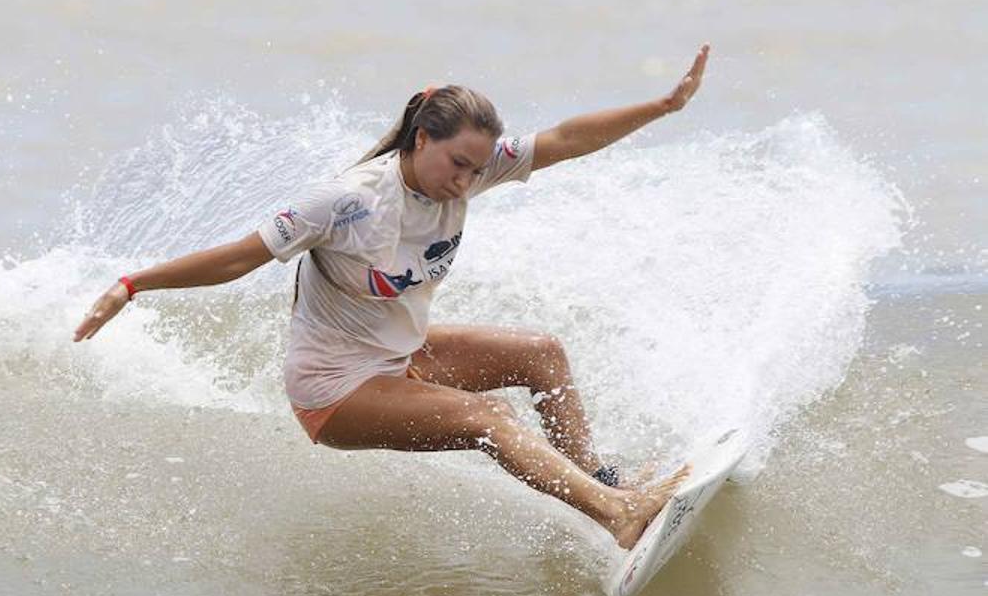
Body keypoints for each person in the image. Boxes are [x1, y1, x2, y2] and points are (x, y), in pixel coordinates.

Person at [74, 45, 711, 550]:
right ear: (419, 140)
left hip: (396, 355)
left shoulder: (472, 169)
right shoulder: (347, 202)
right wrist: (133, 285)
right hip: (335, 389)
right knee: (489, 419)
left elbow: (567, 139)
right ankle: (618, 516)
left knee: (542, 355)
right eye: (456, 164)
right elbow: (241, 256)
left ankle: (599, 486)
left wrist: (662, 107)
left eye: (476, 168)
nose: (465, 181)